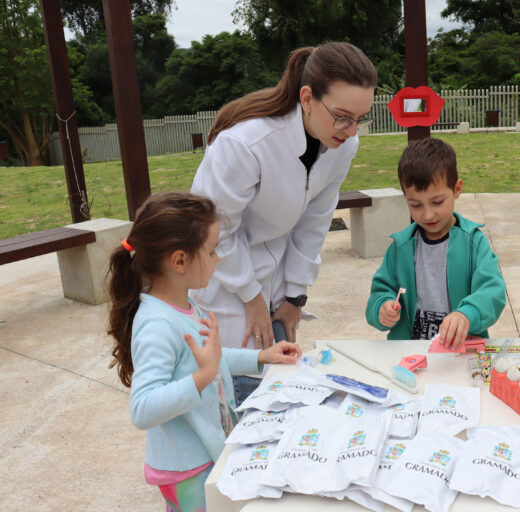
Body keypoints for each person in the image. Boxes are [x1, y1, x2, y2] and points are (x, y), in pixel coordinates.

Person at [190, 41, 377, 405]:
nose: (351, 130)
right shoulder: (245, 144)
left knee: (277, 396)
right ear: (307, 98)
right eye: (342, 117)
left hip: (274, 285)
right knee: (239, 397)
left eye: (360, 119)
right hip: (224, 284)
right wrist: (251, 296)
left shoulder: (342, 145)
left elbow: (315, 221)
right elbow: (216, 232)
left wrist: (295, 296)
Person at [107, 192, 301, 511]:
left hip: (207, 452)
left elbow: (208, 358)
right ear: (180, 261)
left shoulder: (183, 304)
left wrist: (260, 357)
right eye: (211, 251)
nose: (218, 259)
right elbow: (141, 409)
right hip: (187, 470)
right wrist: (202, 377)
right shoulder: (157, 324)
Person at [365, 138, 507, 348]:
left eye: (437, 202)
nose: (428, 214)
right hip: (411, 353)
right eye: (415, 205)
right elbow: (380, 291)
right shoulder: (400, 247)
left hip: (462, 351)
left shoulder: (473, 243)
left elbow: (492, 292)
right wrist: (382, 308)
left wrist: (466, 314)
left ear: (457, 189)